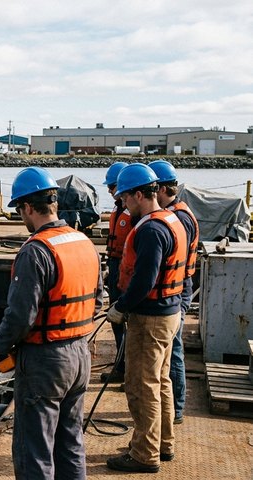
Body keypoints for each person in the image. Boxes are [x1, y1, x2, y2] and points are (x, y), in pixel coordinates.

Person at [0, 166, 103, 479]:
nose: (20, 217)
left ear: (27, 207)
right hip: (80, 355)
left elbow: (21, 316)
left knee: (34, 450)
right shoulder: (82, 241)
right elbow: (99, 299)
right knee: (70, 441)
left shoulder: (36, 251)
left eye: (19, 209)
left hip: (45, 362)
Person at [105, 163, 187, 474]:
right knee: (160, 382)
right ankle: (163, 443)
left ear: (140, 194)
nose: (123, 203)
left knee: (142, 385)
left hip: (151, 319)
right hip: (169, 312)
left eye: (126, 197)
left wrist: (121, 306)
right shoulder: (170, 220)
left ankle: (144, 453)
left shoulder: (151, 229)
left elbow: (145, 279)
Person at [150, 159, 198, 425]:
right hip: (179, 285)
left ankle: (176, 408)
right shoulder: (178, 213)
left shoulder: (177, 217)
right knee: (171, 348)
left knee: (173, 347)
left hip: (177, 288)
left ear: (160, 188)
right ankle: (173, 406)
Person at [100, 161, 132, 384]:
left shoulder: (133, 214)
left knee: (122, 322)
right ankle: (122, 365)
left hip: (125, 271)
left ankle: (124, 368)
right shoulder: (119, 209)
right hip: (116, 267)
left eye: (112, 187)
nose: (110, 191)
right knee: (116, 322)